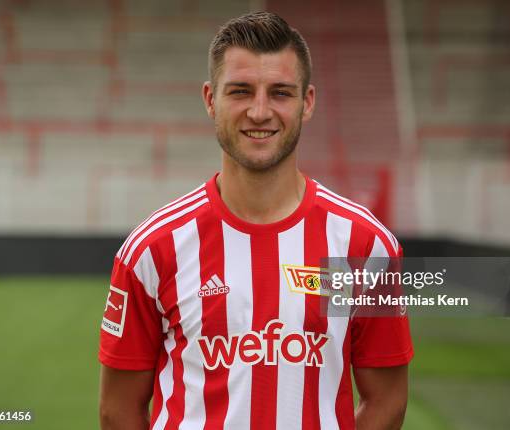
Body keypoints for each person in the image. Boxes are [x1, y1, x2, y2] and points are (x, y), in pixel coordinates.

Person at [99, 11, 413, 430]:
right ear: (211, 99)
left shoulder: (365, 247)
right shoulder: (153, 250)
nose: (260, 111)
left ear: (308, 102)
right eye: (241, 91)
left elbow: (387, 401)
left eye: (280, 92)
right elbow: (117, 411)